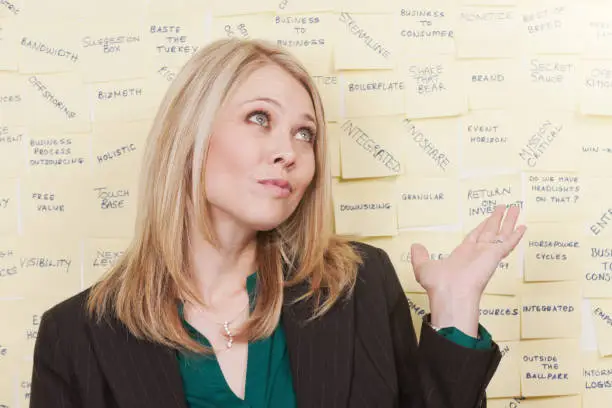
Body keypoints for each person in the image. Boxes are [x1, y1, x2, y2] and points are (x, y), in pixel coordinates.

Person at [29, 38, 526, 408]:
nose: (288, 152)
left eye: (305, 133)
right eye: (259, 118)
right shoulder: (75, 335)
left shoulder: (358, 285)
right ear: (190, 137)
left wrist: (455, 305)